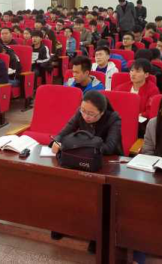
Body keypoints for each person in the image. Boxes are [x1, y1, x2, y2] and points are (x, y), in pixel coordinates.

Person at [50, 90, 123, 253]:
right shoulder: (81, 112)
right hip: (81, 158)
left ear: (102, 112)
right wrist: (57, 142)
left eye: (91, 114)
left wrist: (79, 146)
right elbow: (63, 132)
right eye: (83, 111)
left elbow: (110, 147)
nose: (85, 116)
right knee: (66, 186)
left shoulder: (113, 118)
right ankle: (64, 224)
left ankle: (96, 235)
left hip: (106, 163)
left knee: (98, 196)